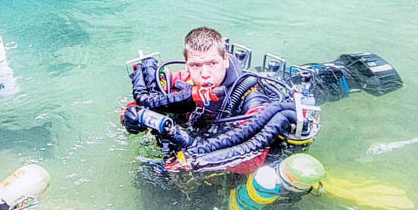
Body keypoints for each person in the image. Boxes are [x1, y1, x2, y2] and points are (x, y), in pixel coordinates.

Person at [120, 28, 403, 177]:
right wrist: (132, 117)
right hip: (207, 140)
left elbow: (252, 156)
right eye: (196, 65)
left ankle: (350, 73)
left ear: (225, 60)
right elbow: (138, 106)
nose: (204, 74)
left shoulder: (250, 95)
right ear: (187, 63)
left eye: (212, 64)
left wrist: (195, 160)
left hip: (275, 97)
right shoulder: (184, 80)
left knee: (316, 83)